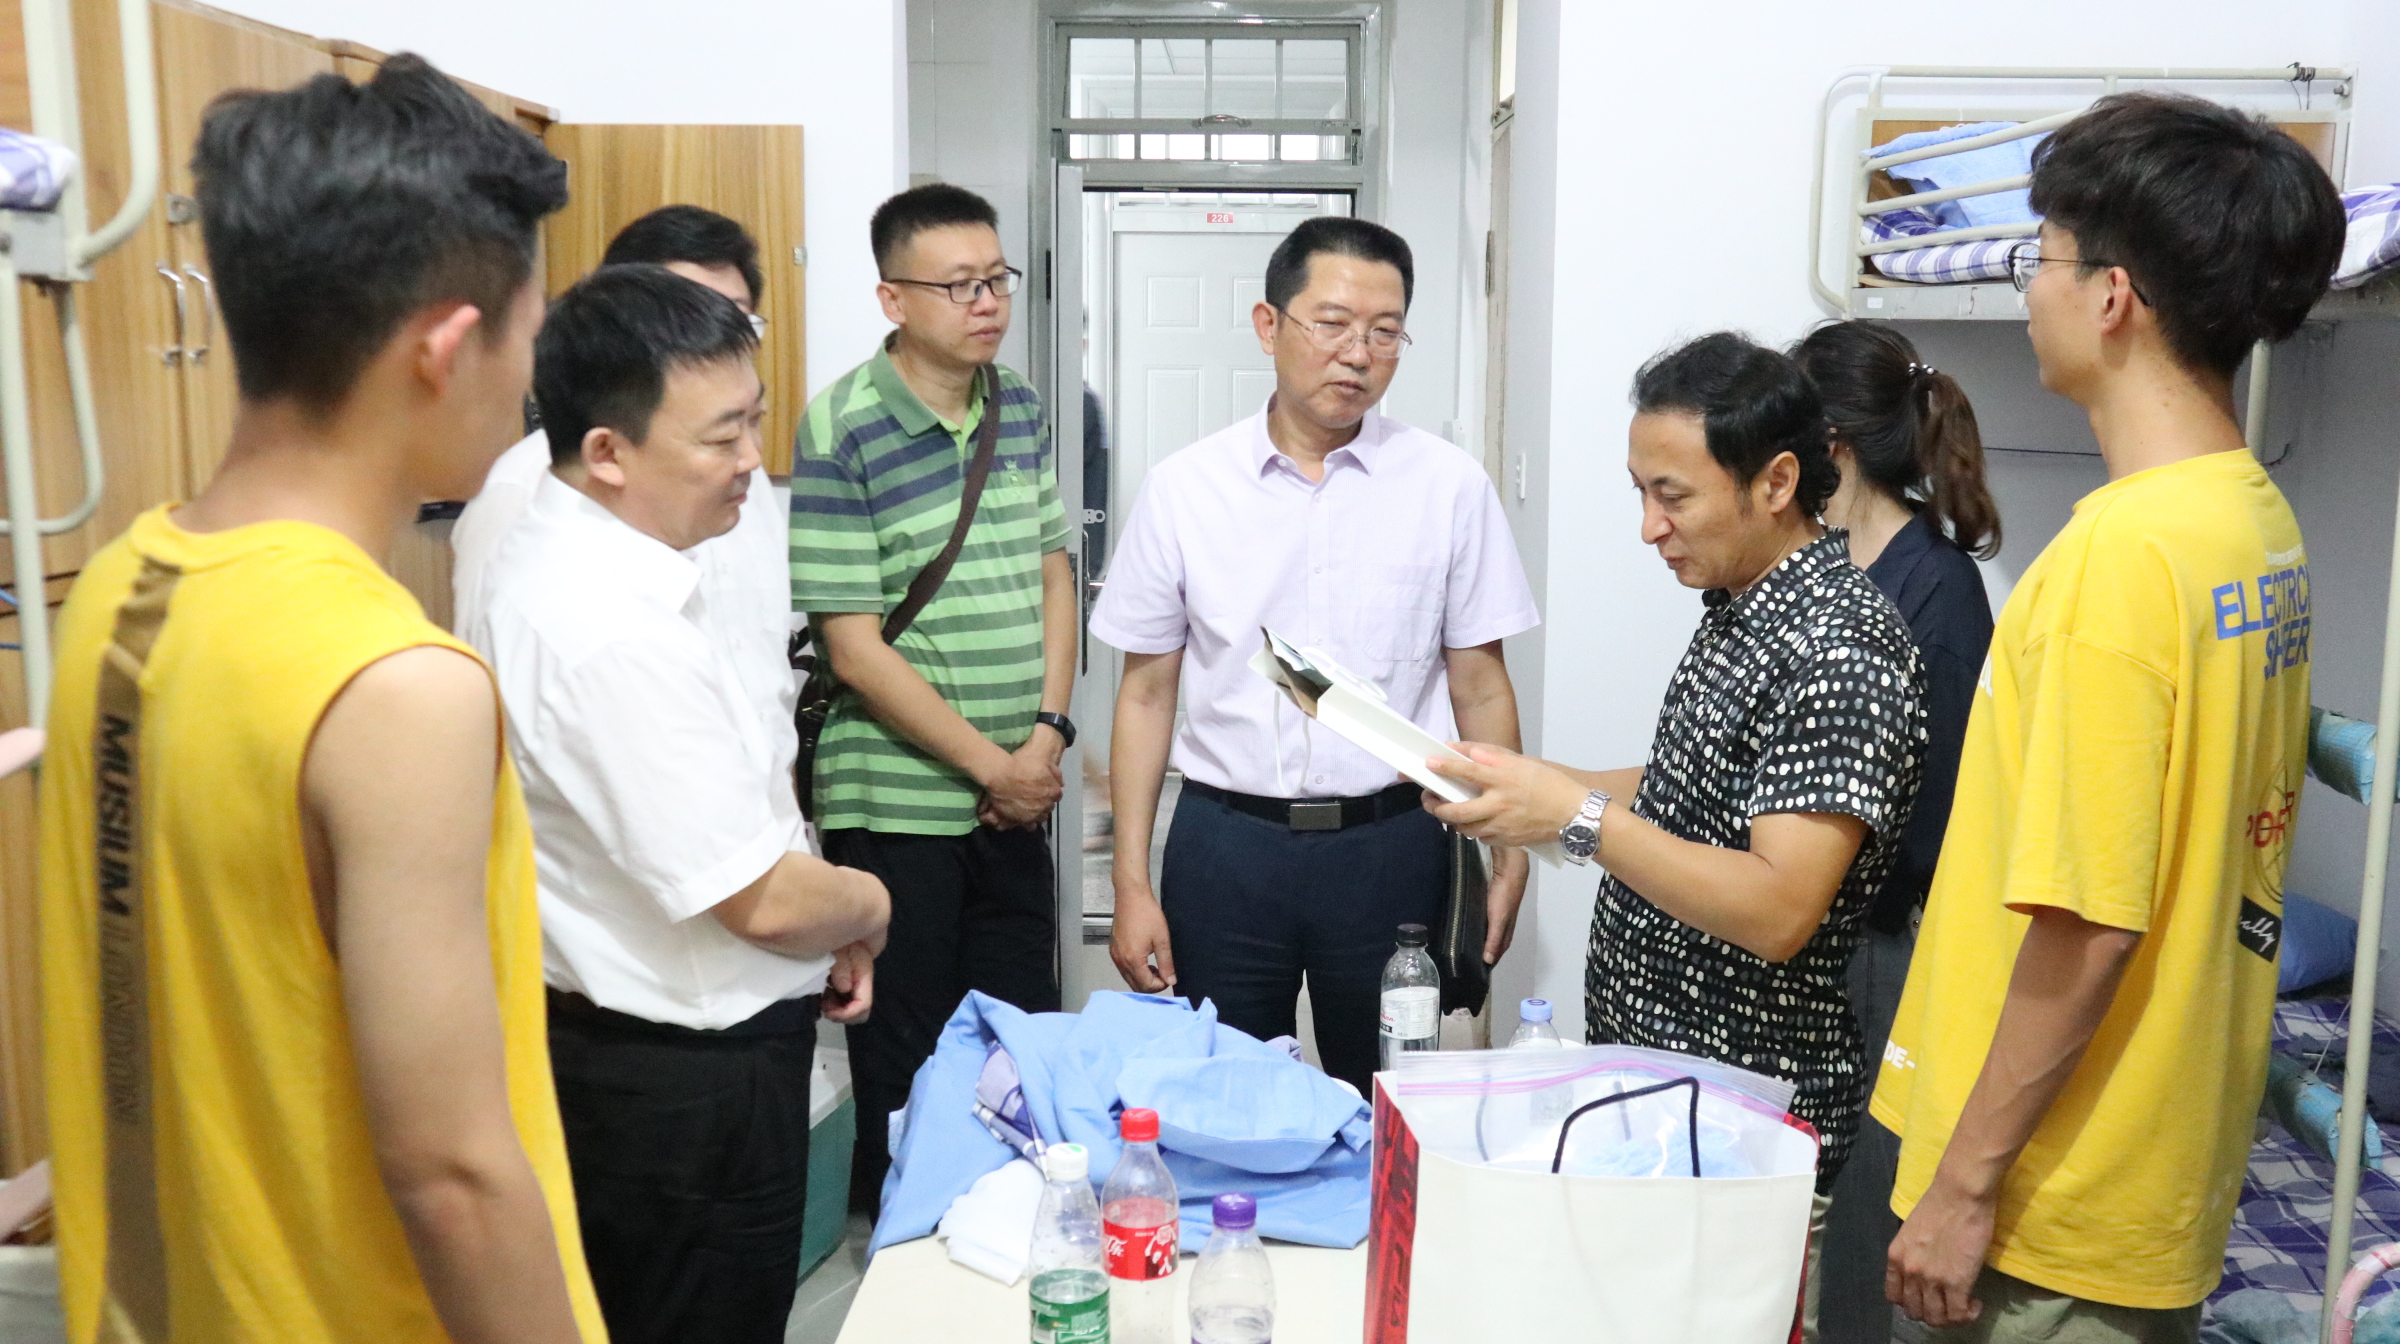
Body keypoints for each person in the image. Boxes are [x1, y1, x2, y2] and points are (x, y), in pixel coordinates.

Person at [36, 56, 605, 1343]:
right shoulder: (397, 689)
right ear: (444, 350)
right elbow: (451, 1174)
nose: (530, 384)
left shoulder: (124, 587)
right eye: (526, 336)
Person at [1874, 93, 2345, 1340]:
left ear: (2113, 297)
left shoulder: (2119, 562)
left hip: (2050, 1202)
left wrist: (1964, 1188)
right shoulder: (2251, 519)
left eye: (2042, 258)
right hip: (2153, 1165)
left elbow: (2088, 923)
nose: (2030, 290)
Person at [1427, 332, 1925, 1339]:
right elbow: (1691, 791)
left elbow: (1779, 906)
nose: (1650, 526)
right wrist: (1527, 783)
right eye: (1640, 492)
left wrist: (1571, 818)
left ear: (1776, 482)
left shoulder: (1841, 646)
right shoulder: (1743, 606)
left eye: (1674, 496)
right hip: (1672, 1108)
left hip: (1748, 1138)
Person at [462, 264, 888, 1343]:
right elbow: (762, 901)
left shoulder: (617, 569)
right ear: (608, 451)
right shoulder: (601, 624)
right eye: (722, 436)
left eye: (755, 420)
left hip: (675, 1063)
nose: (752, 459)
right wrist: (868, 904)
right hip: (680, 1095)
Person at [1089, 216, 1538, 1097]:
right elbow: (1145, 695)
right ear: (1270, 325)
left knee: (1388, 1101)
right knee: (1225, 1098)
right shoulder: (1186, 489)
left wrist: (1510, 848)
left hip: (1391, 847)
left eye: (1385, 331)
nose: (1358, 354)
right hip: (1227, 848)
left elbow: (1480, 683)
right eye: (1331, 324)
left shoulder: (1448, 487)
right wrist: (1131, 883)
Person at [790, 182, 1073, 1212]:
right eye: (960, 285)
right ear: (892, 299)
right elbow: (854, 648)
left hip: (1017, 794)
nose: (988, 302)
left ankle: (1020, 1236)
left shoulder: (1020, 406)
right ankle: (908, 1245)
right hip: (898, 803)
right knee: (907, 1059)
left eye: (997, 279)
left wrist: (1046, 734)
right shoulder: (843, 427)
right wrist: (995, 767)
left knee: (1022, 1039)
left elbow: (1055, 572)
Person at [1796, 321, 2000, 1344]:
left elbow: (1940, 813)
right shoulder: (1832, 564)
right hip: (1827, 929)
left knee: (1872, 1204)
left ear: (1830, 443)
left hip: (1890, 936)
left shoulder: (1938, 590)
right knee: (1825, 1195)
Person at [454, 204, 769, 635]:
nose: (712, 337)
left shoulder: (744, 466)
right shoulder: (519, 487)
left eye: (734, 317)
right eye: (681, 317)